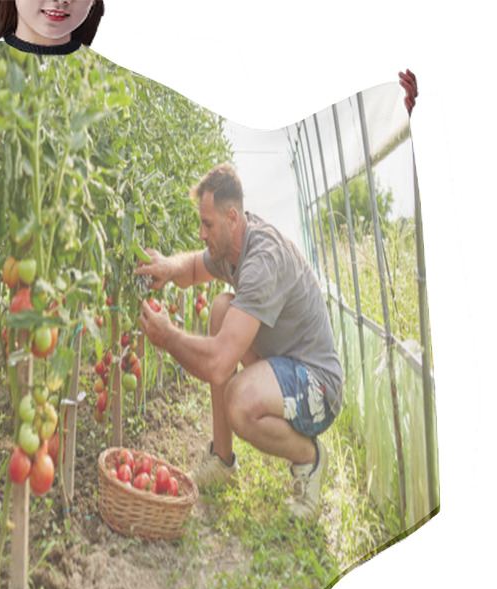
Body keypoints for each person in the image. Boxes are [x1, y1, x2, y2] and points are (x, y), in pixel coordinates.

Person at [0, 4, 212, 589]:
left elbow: (219, 178)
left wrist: (384, 114)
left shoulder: (106, 89)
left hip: (70, 370)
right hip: (24, 377)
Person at [136, 163, 344, 522]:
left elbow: (218, 363)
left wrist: (168, 337)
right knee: (221, 307)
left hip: (317, 387)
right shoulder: (232, 248)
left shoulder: (262, 259)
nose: (201, 234)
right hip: (285, 368)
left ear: (232, 217)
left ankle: (309, 458)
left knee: (240, 401)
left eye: (207, 224)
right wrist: (169, 266)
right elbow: (192, 270)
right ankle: (222, 460)